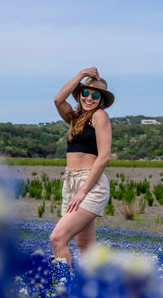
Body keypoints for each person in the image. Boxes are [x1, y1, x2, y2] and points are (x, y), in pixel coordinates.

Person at [50, 67, 114, 269]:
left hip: (90, 184)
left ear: (101, 100)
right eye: (85, 93)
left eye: (95, 95)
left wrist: (83, 191)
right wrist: (81, 74)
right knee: (85, 247)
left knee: (57, 238)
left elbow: (103, 157)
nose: (89, 98)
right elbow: (58, 100)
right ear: (79, 94)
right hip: (70, 182)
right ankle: (103, 288)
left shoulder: (99, 116)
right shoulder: (74, 118)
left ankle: (64, 288)